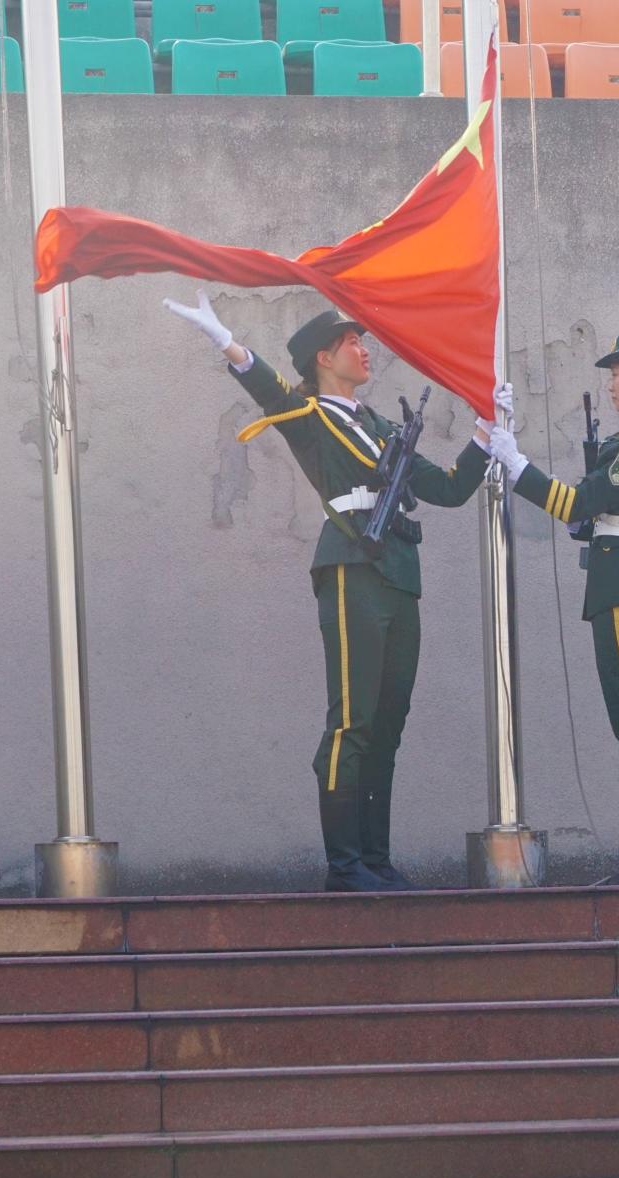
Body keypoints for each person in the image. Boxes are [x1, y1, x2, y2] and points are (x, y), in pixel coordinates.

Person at [165, 292, 499, 892]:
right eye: (352, 342)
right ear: (323, 358)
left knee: (388, 724)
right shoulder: (310, 416)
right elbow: (270, 390)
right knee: (352, 721)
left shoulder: (381, 426)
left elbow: (448, 490)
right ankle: (344, 866)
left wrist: (484, 434)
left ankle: (375, 859)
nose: (364, 350)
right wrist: (227, 341)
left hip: (399, 573)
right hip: (351, 569)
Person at [488, 336, 619, 885]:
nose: (610, 383)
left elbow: (577, 503)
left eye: (617, 373)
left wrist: (516, 463)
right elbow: (594, 513)